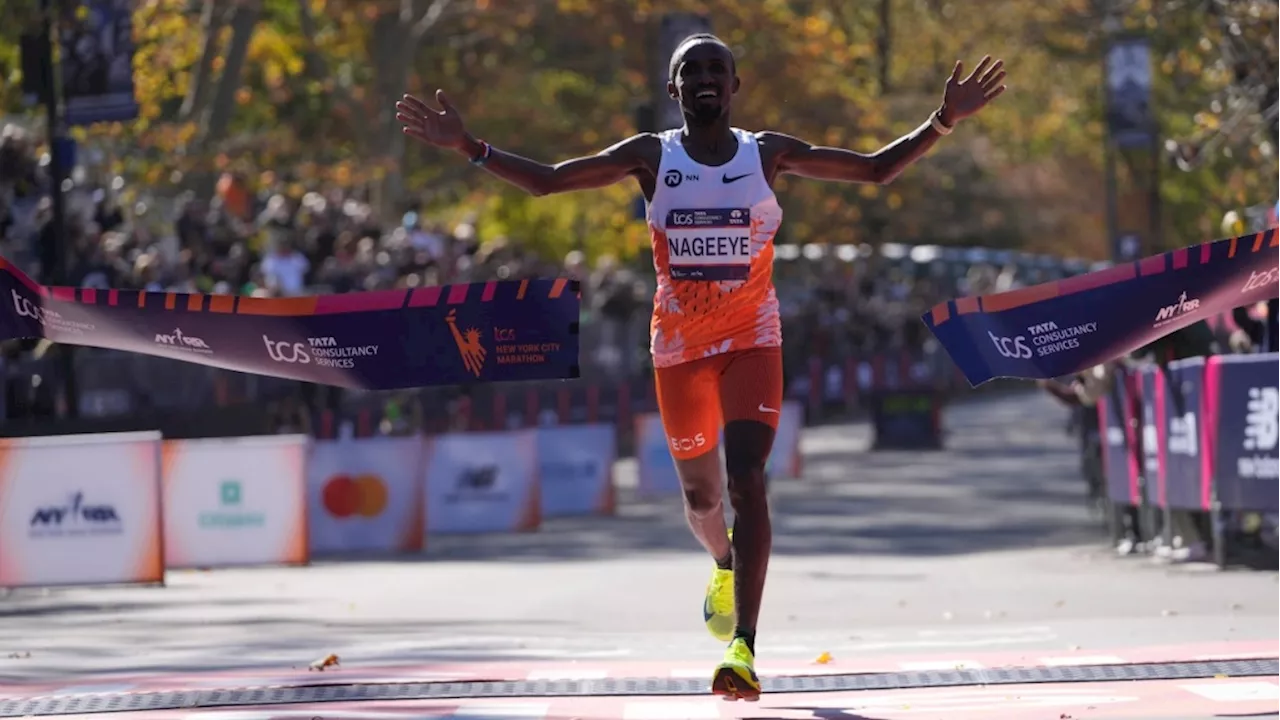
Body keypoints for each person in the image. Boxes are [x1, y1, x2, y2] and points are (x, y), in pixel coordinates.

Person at [396, 34, 1006, 700]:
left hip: (753, 339)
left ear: (736, 86)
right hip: (679, 349)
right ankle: (722, 559)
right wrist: (469, 148)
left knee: (747, 480)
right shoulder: (650, 157)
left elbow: (873, 170)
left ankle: (743, 647)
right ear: (674, 90)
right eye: (692, 71)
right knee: (702, 499)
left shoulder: (765, 153)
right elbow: (548, 182)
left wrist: (941, 121)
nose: (706, 79)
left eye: (718, 69)